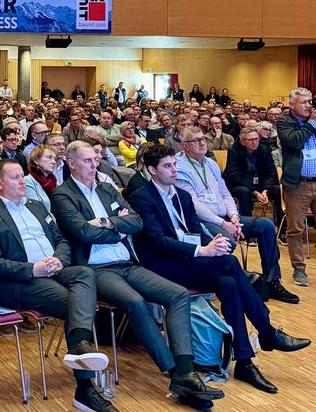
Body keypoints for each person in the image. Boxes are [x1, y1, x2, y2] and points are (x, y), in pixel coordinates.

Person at [52, 141, 224, 408]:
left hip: (127, 262)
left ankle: (186, 369)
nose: (94, 164)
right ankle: (175, 374)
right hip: (97, 269)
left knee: (177, 295)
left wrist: (108, 223)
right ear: (71, 164)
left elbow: (136, 222)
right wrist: (118, 228)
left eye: (95, 160)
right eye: (87, 161)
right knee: (135, 303)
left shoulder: (107, 188)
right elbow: (82, 232)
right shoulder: (62, 195)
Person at [129, 144, 311, 395]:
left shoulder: (182, 195)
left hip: (188, 261)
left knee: (229, 282)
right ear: (152, 170)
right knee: (230, 263)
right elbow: (158, 240)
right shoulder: (141, 197)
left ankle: (245, 361)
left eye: (174, 164)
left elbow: (194, 228)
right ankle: (267, 331)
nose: (174, 170)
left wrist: (211, 244)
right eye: (167, 166)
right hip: (163, 266)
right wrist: (202, 251)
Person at [0, 159, 114, 412]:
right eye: (15, 177)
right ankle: (85, 390)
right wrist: (32, 269)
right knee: (77, 302)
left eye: (22, 176)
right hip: (23, 282)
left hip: (53, 270)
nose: (22, 182)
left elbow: (61, 239)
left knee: (84, 273)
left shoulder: (37, 206)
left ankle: (80, 347)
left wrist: (59, 259)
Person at [175, 126, 297, 304]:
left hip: (225, 218)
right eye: (197, 140)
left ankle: (272, 281)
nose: (203, 143)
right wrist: (224, 225)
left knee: (265, 226)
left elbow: (225, 193)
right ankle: (231, 285)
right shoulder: (180, 167)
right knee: (228, 242)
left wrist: (234, 217)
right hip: (201, 222)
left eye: (203, 139)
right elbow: (194, 205)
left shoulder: (210, 163)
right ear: (186, 145)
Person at [277, 87, 316, 286]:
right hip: (297, 184)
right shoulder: (285, 121)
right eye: (304, 102)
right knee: (296, 229)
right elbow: (295, 141)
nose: (309, 105)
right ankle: (299, 269)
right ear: (292, 105)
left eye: (310, 101)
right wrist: (311, 124)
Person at [224, 128, 286, 239]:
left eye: (256, 139)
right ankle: (248, 231)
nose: (254, 142)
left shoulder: (264, 149)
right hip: (240, 185)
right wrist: (255, 192)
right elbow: (234, 176)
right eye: (251, 140)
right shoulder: (234, 151)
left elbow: (271, 172)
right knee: (244, 191)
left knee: (277, 190)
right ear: (243, 141)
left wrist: (265, 190)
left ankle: (282, 230)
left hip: (261, 186)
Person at [25, 144, 57, 213]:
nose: (54, 162)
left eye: (54, 158)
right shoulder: (27, 181)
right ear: (36, 160)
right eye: (49, 157)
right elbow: (37, 210)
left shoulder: (54, 182)